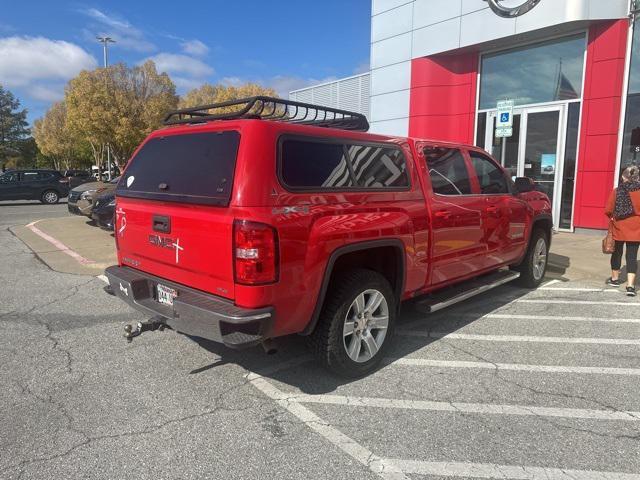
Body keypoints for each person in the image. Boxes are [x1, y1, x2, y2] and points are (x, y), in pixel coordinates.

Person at [604, 165, 640, 296]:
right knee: (632, 256)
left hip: (619, 226)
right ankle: (630, 286)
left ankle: (614, 279)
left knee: (617, 253)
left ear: (623, 176)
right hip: (636, 229)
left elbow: (608, 210)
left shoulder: (617, 191)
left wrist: (614, 216)